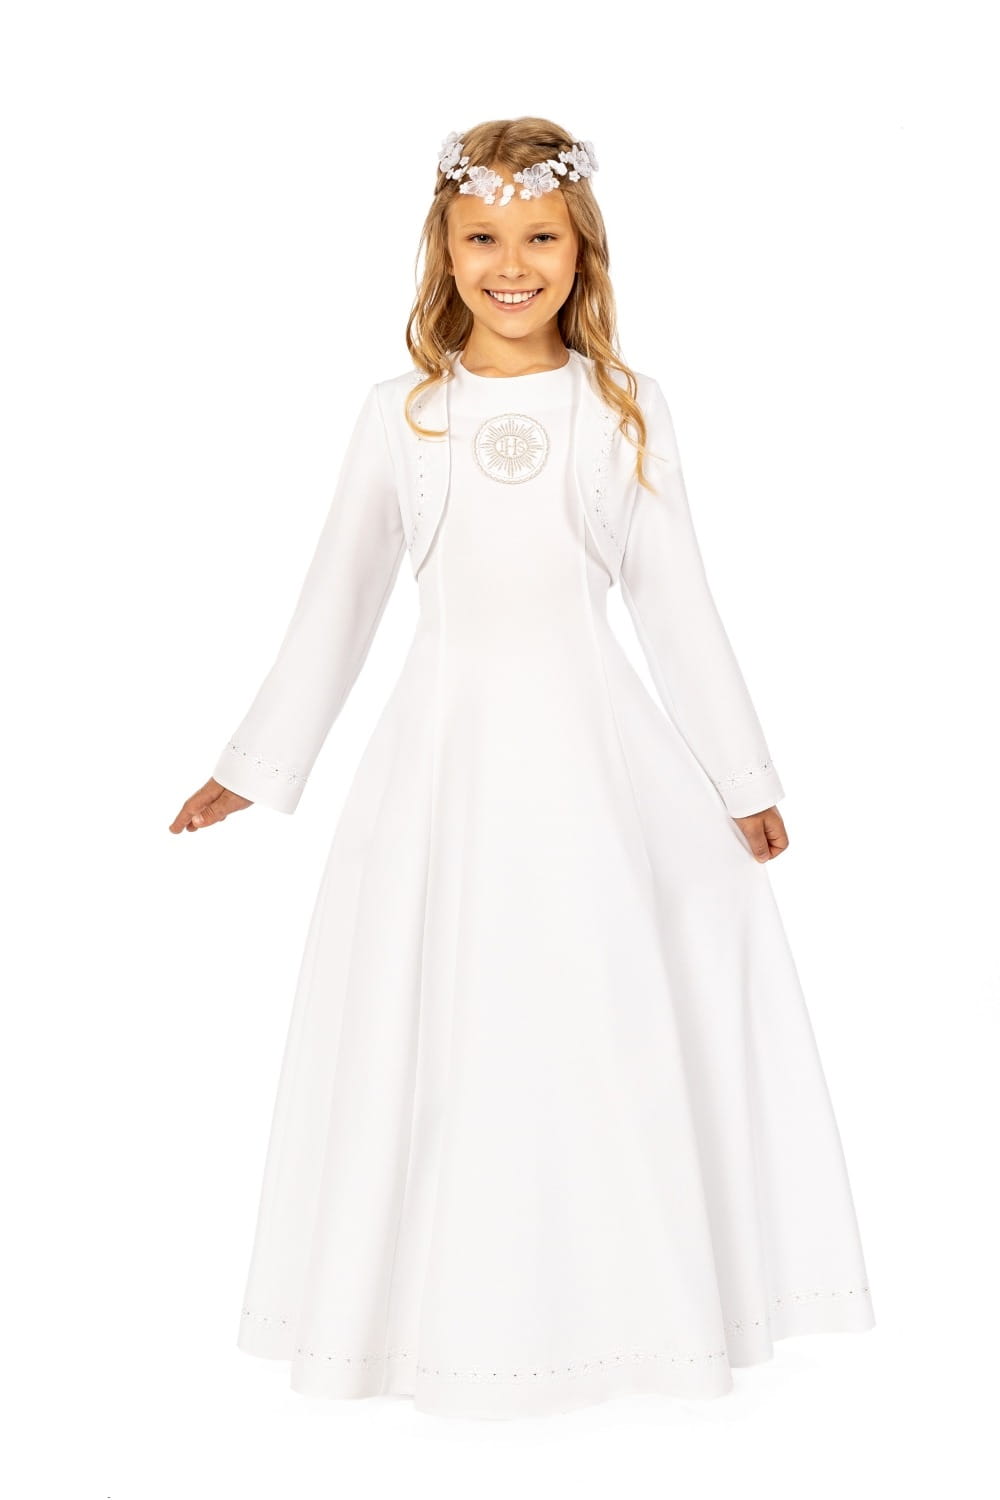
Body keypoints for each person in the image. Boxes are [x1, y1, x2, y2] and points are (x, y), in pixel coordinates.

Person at [170, 116, 875, 1421]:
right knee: (441, 1018)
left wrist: (742, 776)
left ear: (581, 248)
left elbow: (675, 600)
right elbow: (340, 598)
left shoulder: (622, 408)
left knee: (601, 1009)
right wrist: (257, 763)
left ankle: (638, 1310)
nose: (511, 264)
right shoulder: (404, 416)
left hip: (599, 773)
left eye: (539, 236)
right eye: (483, 237)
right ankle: (431, 1318)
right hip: (441, 773)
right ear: (443, 250)